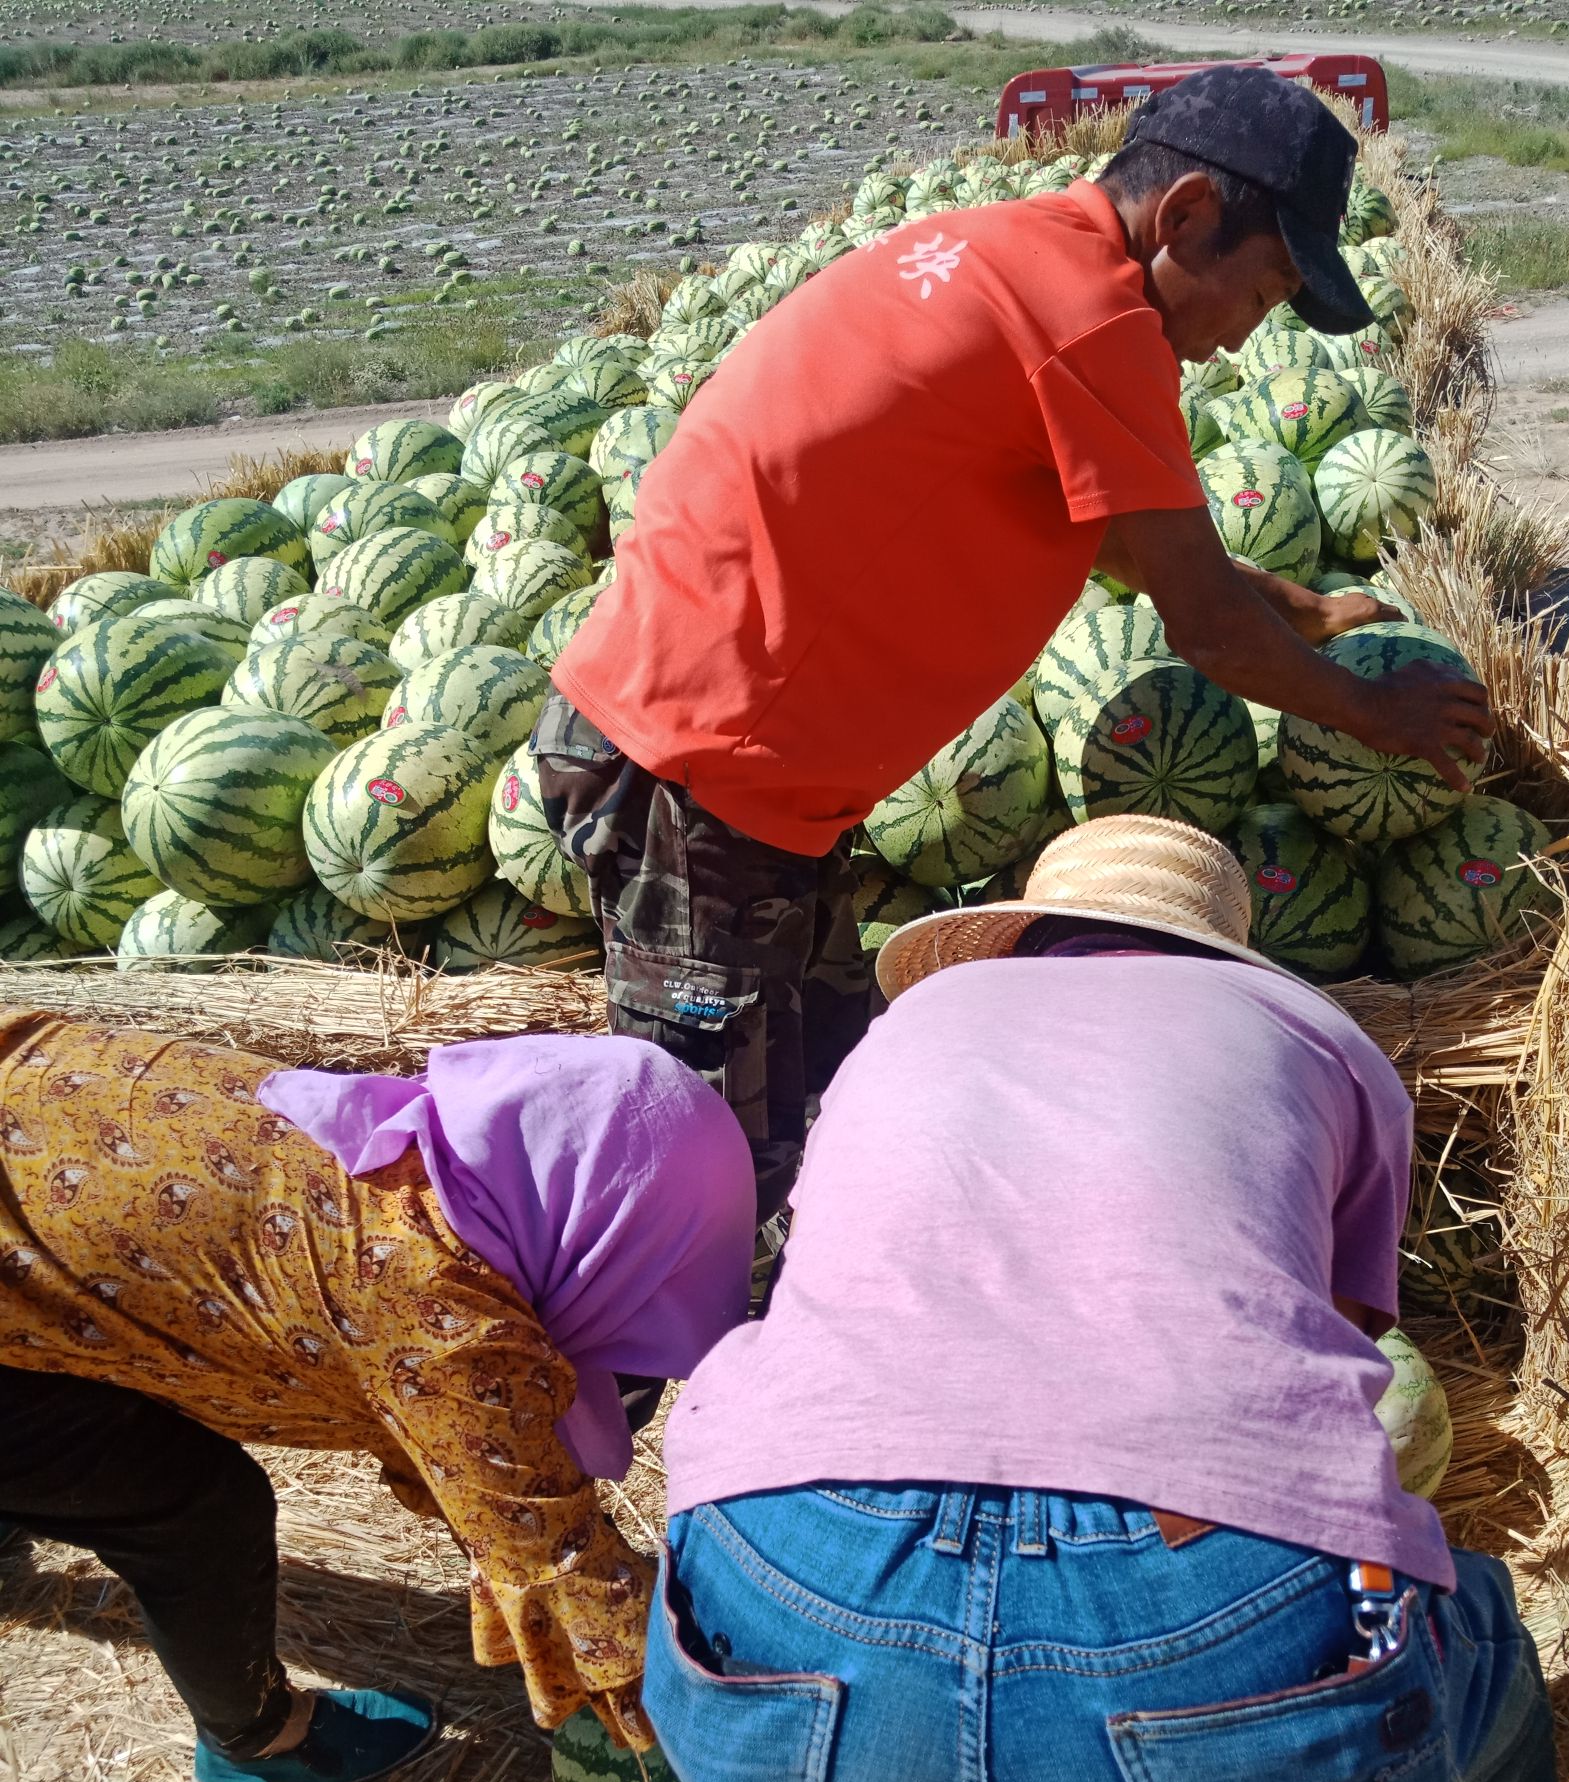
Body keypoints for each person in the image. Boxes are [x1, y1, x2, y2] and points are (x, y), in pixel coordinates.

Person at [639, 816, 1567, 1782]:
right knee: (1484, 1723)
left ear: (1025, 928)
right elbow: (1348, 1347)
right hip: (1192, 1627)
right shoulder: (1316, 1046)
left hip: (778, 1603)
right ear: (1221, 945)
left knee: (896, 1648)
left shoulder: (909, 1031)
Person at [532, 69, 1491, 1222]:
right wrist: (1379, 716)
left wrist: (1300, 609)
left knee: (845, 1103)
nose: (1250, 336)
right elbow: (1201, 629)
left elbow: (1132, 543)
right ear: (1184, 215)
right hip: (694, 779)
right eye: (1268, 286)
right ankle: (672, 1401)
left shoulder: (1027, 257)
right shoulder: (1096, 323)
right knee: (702, 1197)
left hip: (742, 774)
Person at [0, 1016, 754, 1782]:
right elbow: (553, 1560)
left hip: (30, 1105)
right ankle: (255, 1742)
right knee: (189, 1505)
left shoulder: (427, 1146)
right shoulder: (446, 1322)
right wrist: (713, 1734)